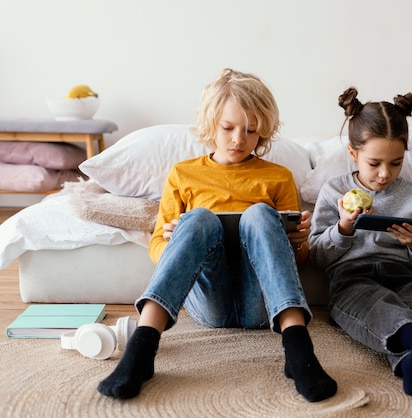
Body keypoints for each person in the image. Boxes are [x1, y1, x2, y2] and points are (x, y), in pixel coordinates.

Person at [98, 68, 337, 402]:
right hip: (209, 300)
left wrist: (297, 242)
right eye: (228, 128)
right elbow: (155, 246)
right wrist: (170, 239)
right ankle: (141, 351)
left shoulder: (278, 177)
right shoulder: (183, 174)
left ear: (262, 134)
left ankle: (299, 352)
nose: (239, 139)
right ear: (211, 125)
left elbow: (297, 260)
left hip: (261, 303)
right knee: (197, 219)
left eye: (251, 131)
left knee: (259, 214)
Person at [309, 87, 412, 396]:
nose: (384, 174)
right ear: (353, 153)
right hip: (353, 276)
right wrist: (344, 227)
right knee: (375, 306)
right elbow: (318, 256)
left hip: (406, 274)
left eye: (396, 163)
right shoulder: (334, 191)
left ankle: (411, 363)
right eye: (374, 163)